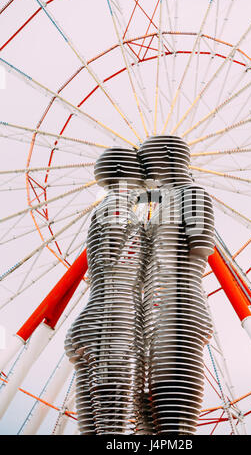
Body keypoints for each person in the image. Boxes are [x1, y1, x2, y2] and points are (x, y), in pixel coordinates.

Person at [64, 147, 147, 435]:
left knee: (97, 429)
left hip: (95, 321)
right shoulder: (118, 206)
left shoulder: (111, 205)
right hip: (111, 326)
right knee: (111, 429)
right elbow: (114, 258)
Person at [138, 135, 215, 434]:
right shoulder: (157, 203)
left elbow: (198, 247)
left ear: (169, 155)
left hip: (181, 306)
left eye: (148, 161)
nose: (145, 171)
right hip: (156, 309)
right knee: (146, 403)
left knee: (171, 403)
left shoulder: (192, 193)